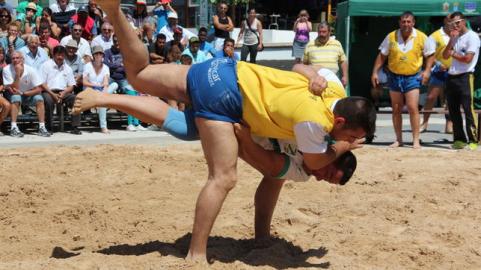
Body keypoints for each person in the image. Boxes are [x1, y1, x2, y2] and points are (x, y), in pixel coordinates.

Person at [73, 0, 376, 263]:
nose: (349, 142)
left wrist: (312, 76)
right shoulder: (314, 129)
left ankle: (113, 12)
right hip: (229, 99)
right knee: (223, 177)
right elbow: (305, 163)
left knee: (142, 79)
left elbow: (300, 69)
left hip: (224, 69)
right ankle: (196, 254)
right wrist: (343, 147)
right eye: (351, 136)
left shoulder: (334, 87)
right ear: (339, 125)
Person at [371, 11, 435, 149]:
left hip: (413, 76)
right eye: (403, 21)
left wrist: (427, 71)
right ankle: (398, 139)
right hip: (394, 76)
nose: (406, 24)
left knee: (413, 107)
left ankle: (416, 140)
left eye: (409, 21)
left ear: (413, 23)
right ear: (399, 22)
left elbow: (430, 55)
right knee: (396, 108)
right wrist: (375, 72)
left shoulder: (421, 37)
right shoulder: (391, 36)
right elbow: (382, 55)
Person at [442, 11, 480, 150]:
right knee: (453, 110)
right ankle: (459, 139)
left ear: (464, 21)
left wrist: (453, 53)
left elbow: (467, 59)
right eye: (452, 24)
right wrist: (451, 41)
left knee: (468, 109)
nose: (455, 26)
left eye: (458, 22)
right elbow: (445, 55)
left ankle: (473, 140)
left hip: (465, 76)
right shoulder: (455, 37)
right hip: (452, 76)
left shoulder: (472, 37)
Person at [3, 51, 50, 137]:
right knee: (16, 97)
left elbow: (39, 88)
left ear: (22, 59)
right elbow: (14, 89)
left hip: (27, 94)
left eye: (17, 58)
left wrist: (24, 93)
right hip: (13, 95)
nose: (15, 60)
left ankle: (42, 127)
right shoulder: (6, 69)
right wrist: (18, 74)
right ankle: (13, 127)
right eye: (13, 58)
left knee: (39, 98)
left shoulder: (31, 69)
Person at [420, 16, 453, 134]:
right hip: (438, 72)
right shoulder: (434, 36)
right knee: (430, 98)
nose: (452, 23)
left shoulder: (459, 35)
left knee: (451, 100)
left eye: (455, 21)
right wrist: (438, 64)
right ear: (445, 21)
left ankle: (449, 126)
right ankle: (424, 123)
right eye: (450, 20)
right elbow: (429, 54)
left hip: (454, 72)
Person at [40, 45, 81, 134]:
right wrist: (52, 94)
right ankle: (49, 127)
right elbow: (42, 84)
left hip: (63, 92)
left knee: (76, 99)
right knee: (48, 101)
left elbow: (71, 85)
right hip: (48, 91)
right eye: (58, 55)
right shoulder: (46, 65)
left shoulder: (68, 68)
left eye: (62, 55)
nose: (60, 57)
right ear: (53, 55)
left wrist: (64, 92)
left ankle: (75, 127)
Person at [82, 45, 118, 133]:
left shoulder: (106, 67)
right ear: (93, 55)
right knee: (103, 101)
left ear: (103, 56)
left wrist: (104, 89)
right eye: (96, 53)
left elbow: (106, 82)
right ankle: (103, 127)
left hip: (101, 91)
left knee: (115, 84)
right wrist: (96, 85)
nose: (98, 55)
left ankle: (103, 97)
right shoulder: (87, 66)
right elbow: (84, 82)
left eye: (100, 54)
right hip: (90, 90)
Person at [303, 22, 348, 86]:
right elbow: (304, 64)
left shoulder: (337, 44)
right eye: (319, 32)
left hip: (333, 82)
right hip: (316, 82)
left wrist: (345, 76)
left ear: (329, 32)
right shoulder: (309, 45)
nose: (321, 34)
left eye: (324, 32)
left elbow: (343, 61)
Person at [0, 46, 10, 135]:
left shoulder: (6, 66)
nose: (0, 55)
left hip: (3, 90)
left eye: (2, 53)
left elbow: (8, 82)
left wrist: (2, 86)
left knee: (7, 105)